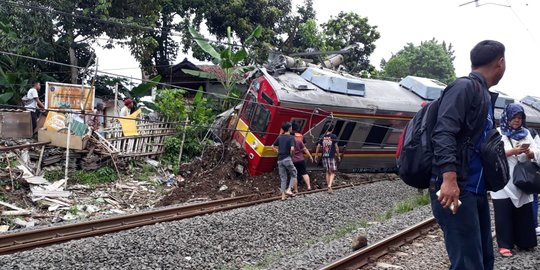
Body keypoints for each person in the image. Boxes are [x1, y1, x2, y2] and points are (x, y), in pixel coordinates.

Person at [431, 40, 506, 270]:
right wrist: (449, 179)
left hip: (476, 191)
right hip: (458, 189)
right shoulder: (464, 88)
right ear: (500, 63)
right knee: (467, 264)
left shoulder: (483, 94)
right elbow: (443, 132)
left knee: (483, 261)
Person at [491, 103, 538, 257]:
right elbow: (491, 154)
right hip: (503, 181)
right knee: (504, 213)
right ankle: (505, 245)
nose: (517, 120)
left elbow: (537, 151)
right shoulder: (498, 133)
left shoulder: (526, 133)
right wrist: (512, 151)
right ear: (507, 117)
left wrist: (530, 153)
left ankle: (525, 242)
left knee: (524, 212)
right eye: (514, 117)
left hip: (523, 179)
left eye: (520, 118)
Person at [272, 122, 297, 200]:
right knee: (294, 173)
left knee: (283, 178)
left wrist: (278, 152)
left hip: (280, 160)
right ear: (289, 128)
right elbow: (292, 149)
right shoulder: (291, 137)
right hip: (287, 158)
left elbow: (272, 146)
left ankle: (283, 196)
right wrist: (292, 156)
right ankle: (289, 190)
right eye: (291, 127)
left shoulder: (280, 137)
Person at [315, 124, 340, 193]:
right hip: (331, 156)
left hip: (324, 156)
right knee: (332, 172)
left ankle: (329, 188)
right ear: (332, 129)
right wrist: (338, 155)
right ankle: (329, 185)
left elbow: (318, 146)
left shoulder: (322, 136)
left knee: (327, 172)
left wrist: (316, 155)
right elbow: (336, 147)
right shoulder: (333, 136)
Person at [291, 125, 314, 192]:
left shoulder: (288, 140)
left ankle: (295, 189)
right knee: (304, 173)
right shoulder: (299, 139)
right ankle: (309, 186)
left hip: (293, 160)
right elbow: (305, 148)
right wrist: (310, 156)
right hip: (301, 159)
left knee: (294, 174)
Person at [529, 127, 540, 235]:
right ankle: (534, 225)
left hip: (515, 172)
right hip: (532, 171)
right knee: (534, 198)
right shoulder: (532, 132)